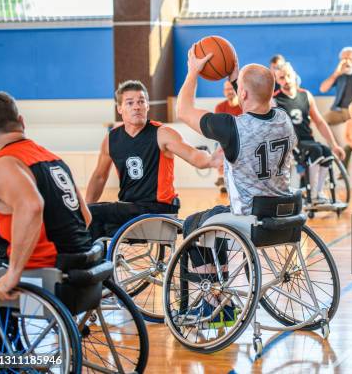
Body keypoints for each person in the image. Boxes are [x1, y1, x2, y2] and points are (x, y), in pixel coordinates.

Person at [175, 47, 297, 325]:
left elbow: (183, 110)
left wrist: (194, 71)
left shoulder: (232, 127)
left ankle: (214, 303)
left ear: (241, 94)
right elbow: (259, 94)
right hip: (282, 214)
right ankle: (220, 299)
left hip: (248, 218)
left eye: (239, 88)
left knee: (194, 224)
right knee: (212, 218)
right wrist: (237, 76)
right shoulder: (284, 119)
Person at [85, 80, 220, 240]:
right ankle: (99, 262)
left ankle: (90, 262)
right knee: (89, 216)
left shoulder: (162, 133)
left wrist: (212, 159)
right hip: (129, 209)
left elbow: (194, 156)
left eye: (141, 102)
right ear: (119, 108)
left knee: (95, 213)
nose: (137, 106)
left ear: (147, 106)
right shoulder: (111, 139)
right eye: (130, 103)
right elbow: (99, 177)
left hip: (158, 208)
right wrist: (86, 208)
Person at [0, 92, 92, 301]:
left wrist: (13, 274)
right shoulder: (52, 158)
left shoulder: (2, 166)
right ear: (21, 121)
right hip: (84, 265)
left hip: (44, 271)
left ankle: (6, 332)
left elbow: (32, 206)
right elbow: (86, 217)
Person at [273, 62, 345, 203]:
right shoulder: (275, 100)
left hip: (307, 140)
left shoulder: (306, 95)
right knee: (316, 151)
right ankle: (312, 193)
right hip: (292, 144)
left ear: (294, 75)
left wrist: (334, 144)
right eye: (281, 78)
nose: (286, 80)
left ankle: (318, 191)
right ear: (277, 80)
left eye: (288, 76)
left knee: (326, 151)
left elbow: (319, 122)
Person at [213, 81, 243, 193]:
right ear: (223, 92)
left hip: (241, 140)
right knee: (219, 144)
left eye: (231, 88)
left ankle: (225, 178)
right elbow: (218, 129)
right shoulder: (220, 107)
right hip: (226, 140)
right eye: (227, 89)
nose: (229, 92)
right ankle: (222, 177)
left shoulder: (243, 106)